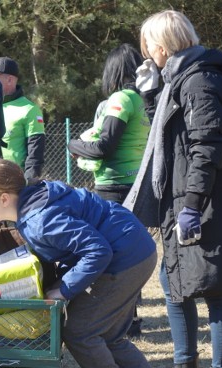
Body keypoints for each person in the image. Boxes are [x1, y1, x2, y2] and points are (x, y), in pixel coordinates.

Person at [0, 159, 191, 368]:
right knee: (111, 337)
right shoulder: (34, 206)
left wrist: (64, 289)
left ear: (4, 198)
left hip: (124, 258)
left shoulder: (41, 220)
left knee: (80, 331)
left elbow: (97, 251)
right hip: (135, 249)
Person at [125, 10, 222, 368]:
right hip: (181, 195)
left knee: (218, 289)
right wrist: (152, 95)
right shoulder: (178, 79)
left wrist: (191, 205)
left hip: (206, 199)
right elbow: (168, 134)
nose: (145, 51)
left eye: (148, 44)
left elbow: (207, 147)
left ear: (162, 45)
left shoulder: (201, 80)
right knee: (175, 283)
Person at [68, 43, 150, 339]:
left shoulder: (122, 99)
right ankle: (131, 321)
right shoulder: (145, 100)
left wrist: (72, 145)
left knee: (113, 255)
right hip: (138, 185)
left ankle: (122, 322)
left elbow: (103, 146)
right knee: (129, 251)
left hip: (115, 187)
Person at [0, 56, 45, 184]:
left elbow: (35, 152)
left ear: (9, 80)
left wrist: (29, 182)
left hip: (15, 182)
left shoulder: (30, 109)